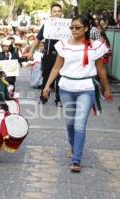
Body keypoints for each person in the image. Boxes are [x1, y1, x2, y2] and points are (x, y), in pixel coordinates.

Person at [42, 15, 113, 172]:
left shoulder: (96, 46)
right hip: (66, 87)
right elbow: (56, 67)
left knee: (80, 124)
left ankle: (76, 160)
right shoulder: (63, 45)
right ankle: (74, 146)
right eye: (72, 27)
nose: (74, 30)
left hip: (86, 88)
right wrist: (47, 86)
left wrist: (106, 89)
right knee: (69, 122)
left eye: (77, 27)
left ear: (86, 28)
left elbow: (101, 69)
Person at [27, 3, 63, 105]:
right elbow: (38, 39)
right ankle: (44, 97)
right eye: (54, 11)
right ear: (51, 13)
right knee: (46, 76)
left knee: (60, 77)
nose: (57, 13)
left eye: (58, 11)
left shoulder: (67, 25)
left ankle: (59, 99)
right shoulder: (47, 24)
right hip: (49, 54)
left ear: (61, 13)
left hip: (63, 55)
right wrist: (31, 51)